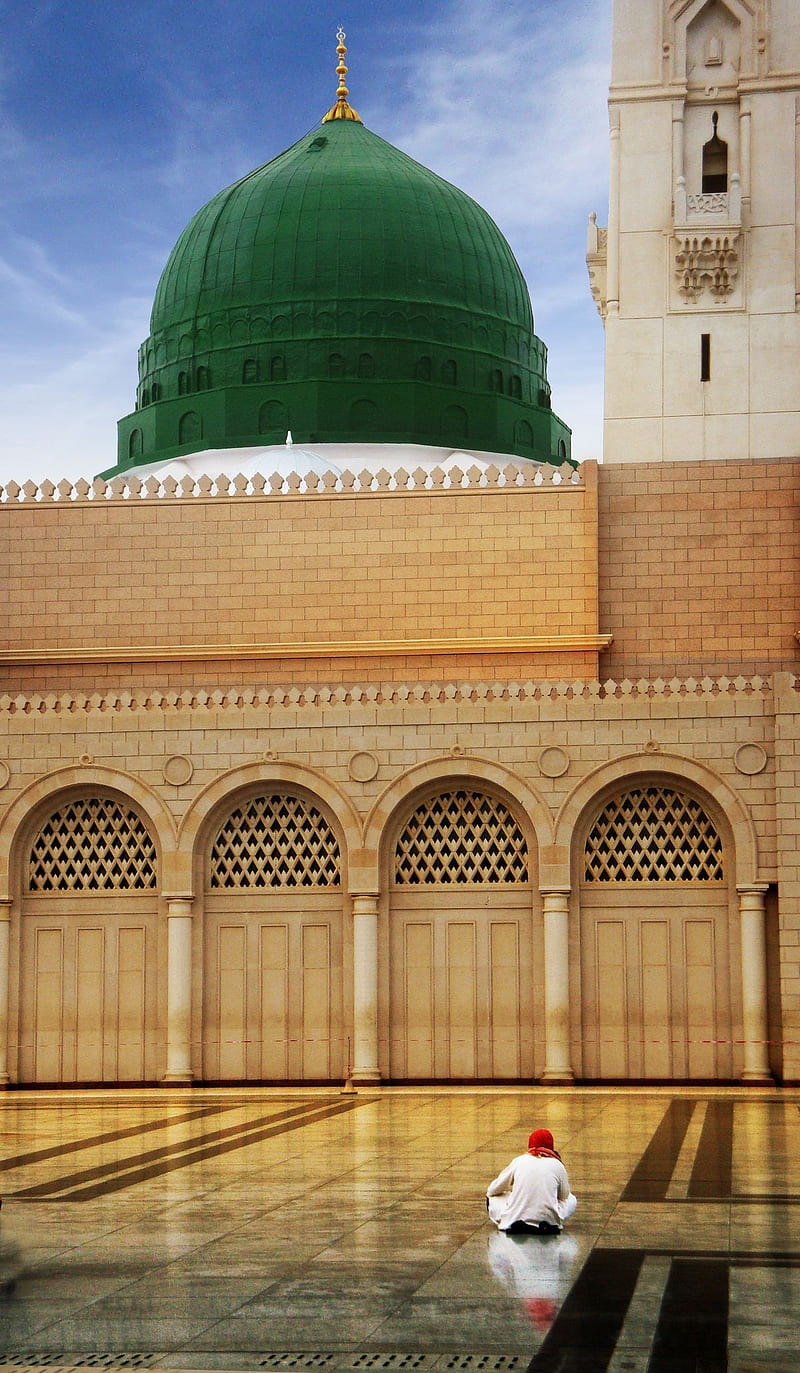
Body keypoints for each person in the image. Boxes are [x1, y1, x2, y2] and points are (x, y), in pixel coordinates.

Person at [485, 1128, 577, 1235]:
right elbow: (564, 1196)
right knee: (572, 1199)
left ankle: (516, 1221)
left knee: (493, 1197)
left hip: (514, 1219)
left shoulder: (520, 1161)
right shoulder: (558, 1165)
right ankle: (547, 1223)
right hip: (549, 1220)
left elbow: (493, 1190)